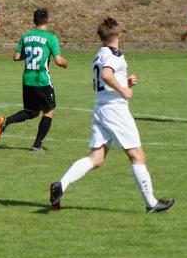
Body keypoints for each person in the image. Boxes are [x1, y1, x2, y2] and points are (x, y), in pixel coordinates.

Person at [49, 17, 175, 213]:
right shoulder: (115, 55)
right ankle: (151, 203)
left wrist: (124, 83)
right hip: (115, 110)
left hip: (100, 108)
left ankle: (61, 185)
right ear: (119, 35)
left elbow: (97, 84)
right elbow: (106, 75)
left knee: (96, 158)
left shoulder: (98, 54)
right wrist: (123, 90)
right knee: (137, 154)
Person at [0, 8, 68, 151]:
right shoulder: (51, 37)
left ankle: (6, 121)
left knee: (32, 112)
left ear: (34, 21)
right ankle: (37, 144)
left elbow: (16, 57)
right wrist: (65, 63)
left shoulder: (26, 36)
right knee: (49, 111)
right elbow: (59, 61)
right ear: (47, 20)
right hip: (42, 80)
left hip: (27, 80)